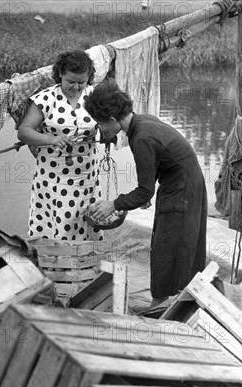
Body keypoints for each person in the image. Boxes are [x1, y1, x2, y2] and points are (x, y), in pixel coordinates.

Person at [84, 82, 207, 309]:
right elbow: (161, 160)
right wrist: (139, 194)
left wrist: (113, 204)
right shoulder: (143, 121)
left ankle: (158, 304)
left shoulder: (141, 138)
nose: (100, 128)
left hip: (182, 191)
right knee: (177, 243)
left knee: (166, 247)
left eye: (100, 123)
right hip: (186, 183)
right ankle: (181, 297)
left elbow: (144, 191)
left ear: (112, 119)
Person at [17, 49, 103, 241]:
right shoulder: (46, 98)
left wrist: (107, 133)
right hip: (53, 179)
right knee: (58, 227)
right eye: (70, 81)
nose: (76, 87)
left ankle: (85, 265)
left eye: (81, 82)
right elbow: (24, 131)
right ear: (60, 74)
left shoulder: (95, 96)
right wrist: (51, 139)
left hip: (87, 177)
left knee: (87, 223)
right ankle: (56, 265)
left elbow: (109, 123)